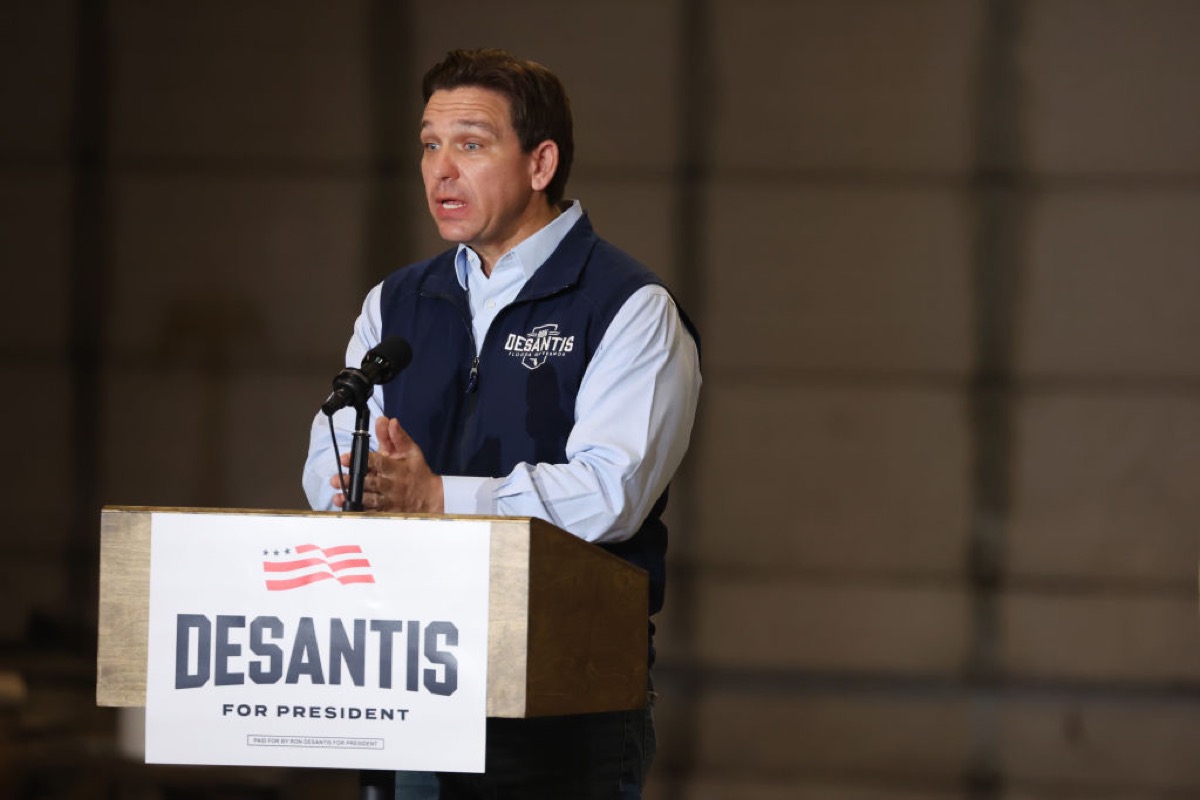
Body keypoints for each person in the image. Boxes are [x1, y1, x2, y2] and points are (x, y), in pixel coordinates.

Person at [303, 48, 701, 799]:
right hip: (407, 680)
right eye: (429, 144)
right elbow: (332, 464)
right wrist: (361, 489)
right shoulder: (396, 303)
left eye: (471, 145)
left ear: (541, 162)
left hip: (562, 704)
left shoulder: (627, 307)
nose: (440, 171)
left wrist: (438, 499)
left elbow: (609, 494)